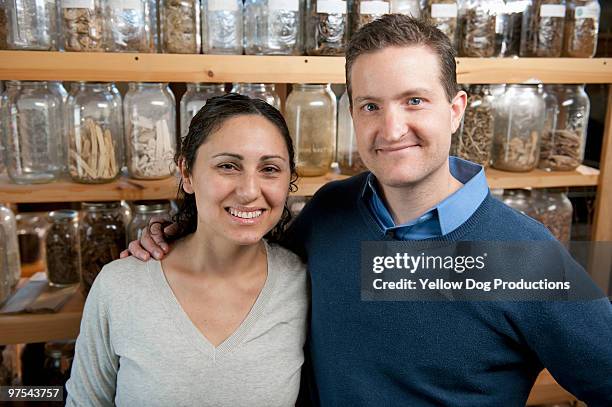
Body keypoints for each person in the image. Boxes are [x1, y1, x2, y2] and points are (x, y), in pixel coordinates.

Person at [125, 15, 612, 406]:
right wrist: (174, 231)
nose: (392, 128)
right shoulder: (331, 210)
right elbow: (247, 261)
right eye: (370, 106)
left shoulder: (524, 258)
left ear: (456, 108)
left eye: (415, 101)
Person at [66, 94, 308, 406]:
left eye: (270, 169)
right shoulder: (119, 285)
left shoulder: (304, 285)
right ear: (187, 173)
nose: (249, 191)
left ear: (289, 178)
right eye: (228, 166)